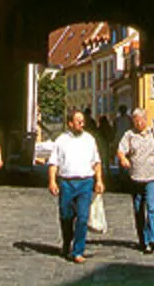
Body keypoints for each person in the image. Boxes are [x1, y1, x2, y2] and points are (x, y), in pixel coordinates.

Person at [48, 108, 105, 264]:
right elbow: (53, 163)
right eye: (78, 121)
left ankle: (78, 250)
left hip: (85, 182)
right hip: (66, 182)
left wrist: (99, 180)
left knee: (82, 217)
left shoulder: (89, 139)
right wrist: (52, 181)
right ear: (70, 123)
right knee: (65, 216)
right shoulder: (61, 140)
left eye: (82, 121)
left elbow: (96, 162)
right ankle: (67, 242)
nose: (82, 123)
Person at [116, 107, 154, 255]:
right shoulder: (129, 135)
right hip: (135, 177)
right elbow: (121, 149)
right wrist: (123, 158)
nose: (138, 123)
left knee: (152, 208)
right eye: (135, 120)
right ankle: (143, 239)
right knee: (138, 209)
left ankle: (152, 240)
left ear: (146, 119)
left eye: (141, 120)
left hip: (152, 176)